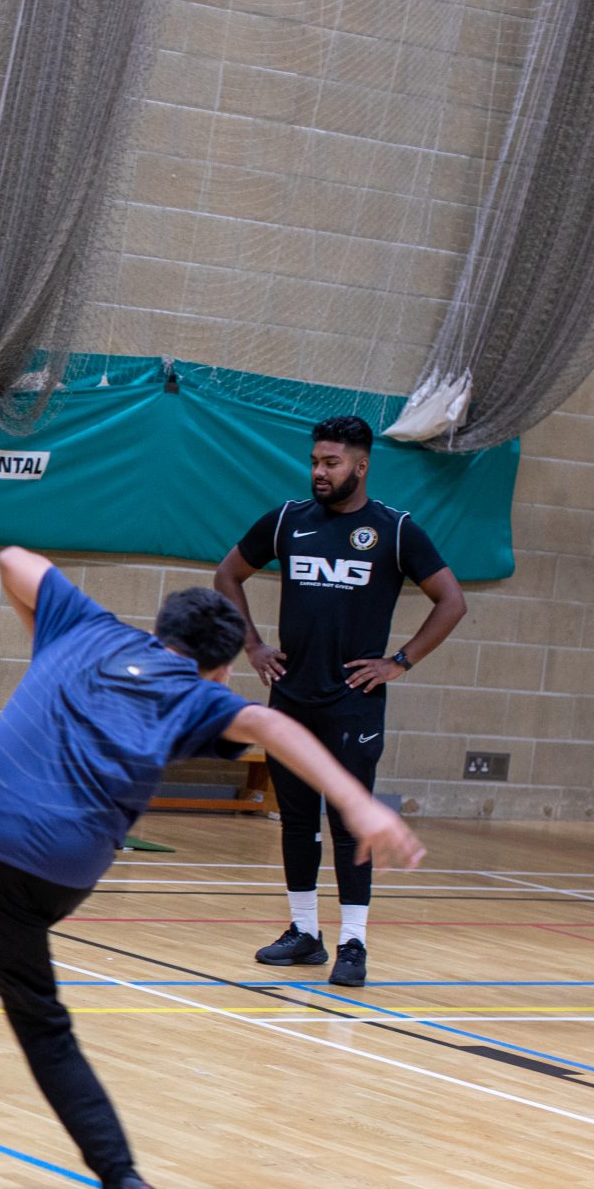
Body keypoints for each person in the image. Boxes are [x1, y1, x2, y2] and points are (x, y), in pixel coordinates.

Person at [0, 548, 425, 1189]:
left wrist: (38, 625)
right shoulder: (199, 697)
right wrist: (356, 804)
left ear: (159, 625)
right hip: (65, 866)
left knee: (21, 970)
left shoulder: (83, 626)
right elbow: (273, 727)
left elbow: (14, 558)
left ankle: (99, 1168)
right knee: (22, 964)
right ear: (222, 667)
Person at [213, 415, 466, 988]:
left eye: (331, 463)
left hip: (352, 704)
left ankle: (354, 942)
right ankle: (305, 934)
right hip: (291, 700)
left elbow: (450, 600)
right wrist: (252, 645)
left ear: (362, 464)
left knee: (350, 821)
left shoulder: (394, 530)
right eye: (315, 462)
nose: (319, 473)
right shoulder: (287, 521)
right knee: (297, 820)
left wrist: (398, 662)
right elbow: (227, 574)